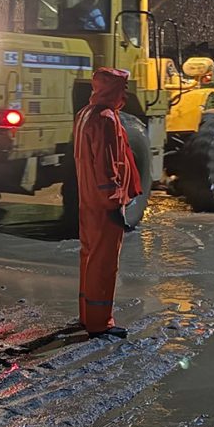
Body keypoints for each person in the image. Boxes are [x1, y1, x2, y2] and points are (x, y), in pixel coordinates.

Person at [73, 68, 142, 338]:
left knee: (89, 257)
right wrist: (115, 204)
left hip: (88, 200)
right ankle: (100, 323)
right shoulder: (106, 119)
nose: (124, 93)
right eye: (122, 88)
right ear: (112, 89)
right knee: (103, 264)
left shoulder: (84, 114)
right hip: (103, 204)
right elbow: (107, 166)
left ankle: (87, 315)